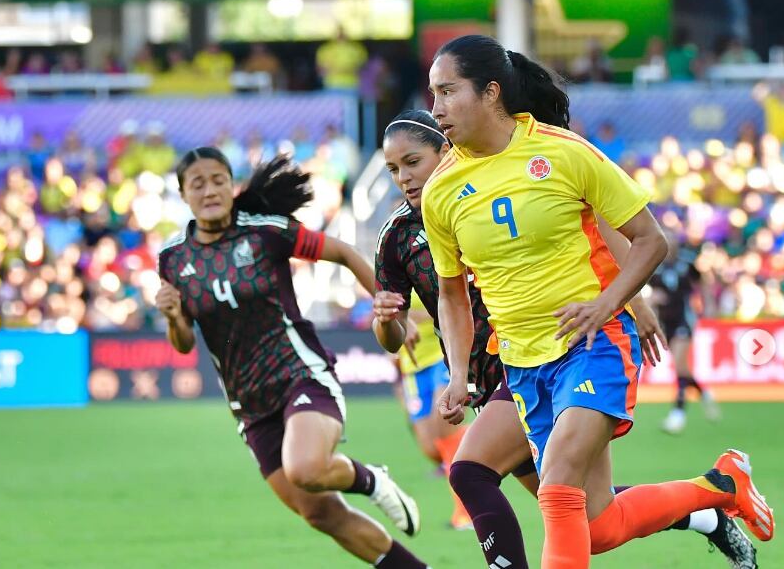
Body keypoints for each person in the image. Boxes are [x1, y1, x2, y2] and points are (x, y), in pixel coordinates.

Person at [421, 35, 774, 568]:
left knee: (558, 478)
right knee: (598, 525)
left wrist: (612, 303)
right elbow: (451, 293)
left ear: (491, 92)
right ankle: (719, 485)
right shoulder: (441, 190)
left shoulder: (563, 152)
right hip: (521, 364)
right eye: (433, 94)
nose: (436, 108)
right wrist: (455, 376)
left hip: (593, 344)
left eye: (448, 92)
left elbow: (650, 239)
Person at [156, 148, 428, 568]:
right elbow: (184, 344)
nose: (210, 190)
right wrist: (174, 317)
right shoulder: (173, 259)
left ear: (233, 186)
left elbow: (343, 253)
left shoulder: (266, 232)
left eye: (218, 179)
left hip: (301, 374)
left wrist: (390, 306)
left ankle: (372, 479)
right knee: (320, 513)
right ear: (182, 195)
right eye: (198, 183)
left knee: (305, 468)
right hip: (248, 404)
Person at [389, 291, 472, 530]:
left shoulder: (429, 263)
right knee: (430, 446)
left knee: (443, 426)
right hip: (413, 364)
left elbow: (450, 305)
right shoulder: (388, 270)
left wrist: (406, 318)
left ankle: (465, 513)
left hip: (442, 355)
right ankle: (481, 447)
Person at [651, 230, 720, 434]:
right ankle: (704, 393)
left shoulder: (687, 263)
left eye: (672, 242)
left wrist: (709, 304)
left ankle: (678, 414)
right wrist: (652, 299)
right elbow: (646, 290)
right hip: (666, 322)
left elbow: (703, 283)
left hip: (684, 319)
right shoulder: (655, 265)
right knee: (682, 369)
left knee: (680, 365)